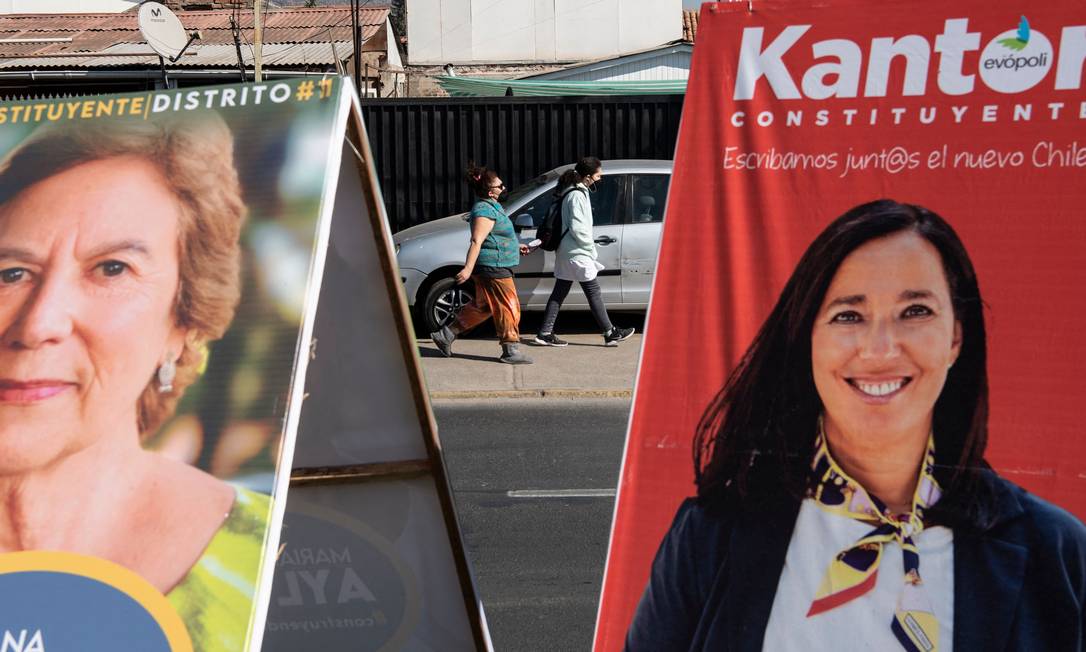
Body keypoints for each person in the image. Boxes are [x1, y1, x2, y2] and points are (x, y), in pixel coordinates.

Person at [625, 200, 1086, 651]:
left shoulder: (1058, 552)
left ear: (956, 337)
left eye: (916, 311)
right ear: (808, 340)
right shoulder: (710, 538)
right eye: (848, 315)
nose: (880, 349)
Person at [0, 114, 268, 650]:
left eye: (112, 269)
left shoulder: (268, 555)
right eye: (10, 273)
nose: (38, 325)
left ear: (182, 323)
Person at [431, 162, 534, 364]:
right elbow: (477, 240)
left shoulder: (493, 207)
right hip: (493, 267)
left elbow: (495, 237)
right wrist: (468, 269)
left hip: (494, 264)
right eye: (500, 186)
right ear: (489, 191)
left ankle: (445, 335)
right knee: (508, 306)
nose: (504, 188)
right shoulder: (484, 210)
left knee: (484, 306)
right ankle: (510, 350)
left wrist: (516, 246)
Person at [533, 157, 634, 347]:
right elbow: (579, 228)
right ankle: (610, 332)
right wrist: (590, 249)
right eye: (598, 175)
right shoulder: (577, 195)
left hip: (567, 251)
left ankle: (545, 332)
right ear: (587, 177)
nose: (599, 179)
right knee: (593, 291)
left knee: (560, 292)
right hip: (577, 252)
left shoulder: (573, 191)